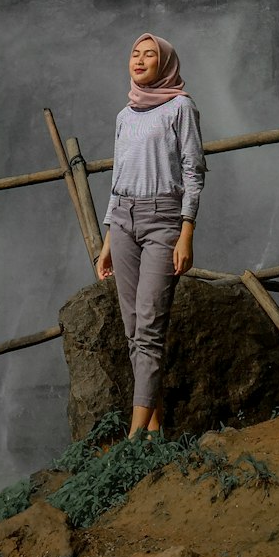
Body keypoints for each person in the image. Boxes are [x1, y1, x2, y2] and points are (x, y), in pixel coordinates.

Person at [96, 32, 206, 437]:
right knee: (131, 325)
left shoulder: (181, 107)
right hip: (123, 220)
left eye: (149, 55)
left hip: (163, 219)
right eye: (135, 54)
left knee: (149, 323)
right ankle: (155, 430)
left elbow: (193, 172)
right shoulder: (124, 115)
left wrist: (186, 232)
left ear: (166, 63)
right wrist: (108, 238)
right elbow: (117, 178)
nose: (140, 60)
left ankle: (133, 438)